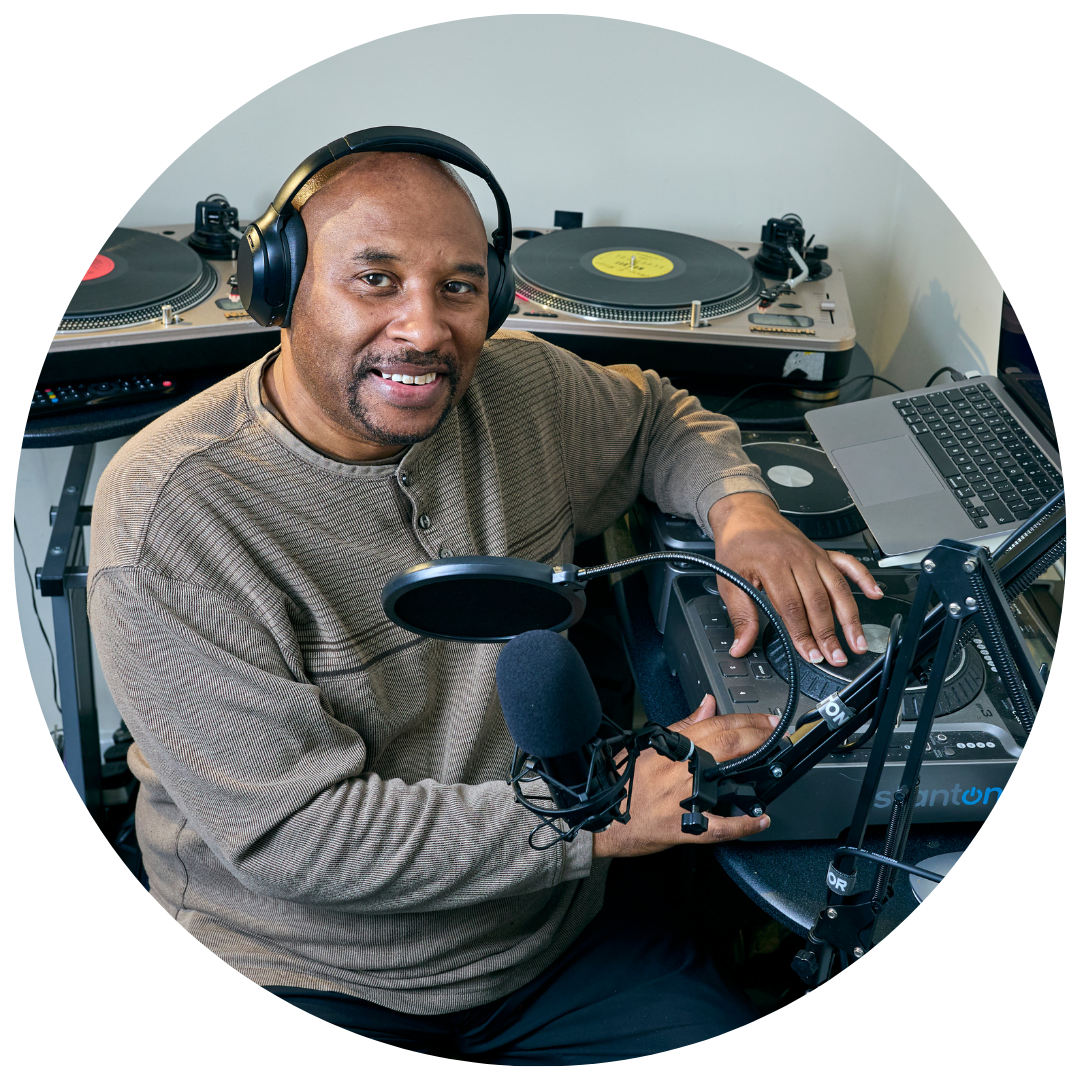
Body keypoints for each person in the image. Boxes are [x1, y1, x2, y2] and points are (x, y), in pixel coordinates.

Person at [87, 140, 882, 1063]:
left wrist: (744, 514)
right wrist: (606, 816)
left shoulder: (520, 388)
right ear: (280, 289)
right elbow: (295, 835)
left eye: (459, 288)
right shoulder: (169, 516)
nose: (424, 329)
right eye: (375, 280)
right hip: (303, 974)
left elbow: (660, 418)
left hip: (552, 937)